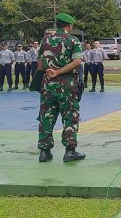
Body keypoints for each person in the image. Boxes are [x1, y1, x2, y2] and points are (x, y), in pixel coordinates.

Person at [36, 13, 85, 163]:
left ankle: (44, 152)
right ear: (68, 26)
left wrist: (50, 71)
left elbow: (39, 65)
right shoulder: (73, 40)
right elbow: (77, 61)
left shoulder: (44, 41)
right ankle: (70, 151)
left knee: (46, 116)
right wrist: (58, 71)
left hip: (47, 85)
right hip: (67, 84)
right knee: (70, 116)